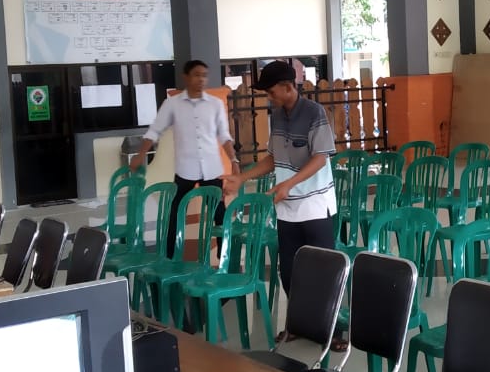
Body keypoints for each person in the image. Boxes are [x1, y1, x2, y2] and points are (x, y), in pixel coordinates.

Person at [224, 60, 342, 347]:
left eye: (272, 92)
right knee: (289, 272)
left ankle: (334, 330)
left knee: (324, 271)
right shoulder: (276, 116)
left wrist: (289, 183)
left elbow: (321, 157)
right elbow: (272, 159)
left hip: (315, 206)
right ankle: (301, 324)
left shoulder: (315, 114)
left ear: (289, 87)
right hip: (287, 209)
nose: (270, 97)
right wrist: (243, 178)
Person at [129, 60, 238, 258]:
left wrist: (234, 161)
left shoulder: (214, 104)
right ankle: (170, 257)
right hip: (185, 169)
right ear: (186, 77)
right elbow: (155, 131)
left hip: (212, 169)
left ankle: (225, 258)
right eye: (196, 74)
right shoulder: (172, 104)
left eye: (204, 75)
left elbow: (224, 135)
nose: (201, 79)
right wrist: (140, 154)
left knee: (219, 215)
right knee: (175, 214)